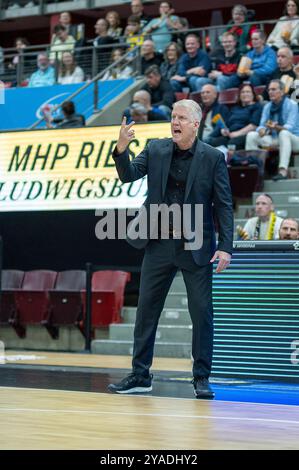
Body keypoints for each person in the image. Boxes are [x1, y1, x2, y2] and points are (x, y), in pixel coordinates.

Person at [108, 99, 234, 399]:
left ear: (195, 124)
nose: (174, 122)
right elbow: (127, 176)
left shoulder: (213, 157)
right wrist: (122, 148)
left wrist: (227, 246)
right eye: (173, 117)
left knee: (202, 313)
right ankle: (140, 375)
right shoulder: (155, 148)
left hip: (196, 245)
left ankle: (201, 378)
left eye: (181, 118)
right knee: (146, 311)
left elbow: (224, 204)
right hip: (159, 242)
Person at [245, 79, 299, 180]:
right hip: (275, 138)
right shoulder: (267, 106)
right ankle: (254, 170)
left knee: (284, 133)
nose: (270, 92)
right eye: (269, 90)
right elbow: (262, 125)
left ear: (282, 92)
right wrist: (261, 130)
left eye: (274, 89)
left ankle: (283, 171)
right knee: (251, 135)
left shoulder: (292, 104)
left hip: (294, 140)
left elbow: (290, 128)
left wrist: (275, 127)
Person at [207, 83, 262, 149]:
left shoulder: (257, 106)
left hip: (244, 134)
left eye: (248, 92)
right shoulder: (235, 108)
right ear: (239, 95)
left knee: (232, 144)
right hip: (230, 135)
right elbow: (226, 123)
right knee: (211, 142)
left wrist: (237, 134)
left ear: (253, 94)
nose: (245, 94)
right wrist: (224, 130)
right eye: (243, 92)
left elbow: (253, 126)